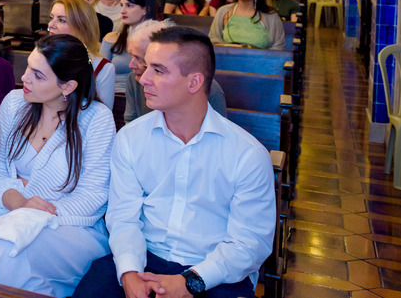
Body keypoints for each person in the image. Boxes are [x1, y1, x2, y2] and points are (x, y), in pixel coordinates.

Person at [75, 27, 274, 298]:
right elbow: (123, 218)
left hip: (214, 271)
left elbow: (249, 244)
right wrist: (130, 273)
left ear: (193, 83)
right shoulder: (131, 138)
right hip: (144, 257)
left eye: (158, 70)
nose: (143, 78)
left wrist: (190, 282)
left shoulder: (247, 154)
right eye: (146, 67)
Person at [0, 34, 114, 296]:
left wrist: (31, 210)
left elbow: (93, 196)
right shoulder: (15, 103)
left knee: (7, 245)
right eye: (28, 66)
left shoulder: (96, 120)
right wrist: (20, 203)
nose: (25, 77)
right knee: (19, 272)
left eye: (38, 75)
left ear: (67, 86)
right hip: (11, 216)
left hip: (72, 230)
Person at [123, 21, 227, 123]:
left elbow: (218, 131)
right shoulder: (134, 79)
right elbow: (131, 122)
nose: (143, 80)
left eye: (158, 70)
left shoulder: (211, 91)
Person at [48, 0, 115, 110]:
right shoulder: (41, 58)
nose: (51, 25)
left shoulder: (102, 67)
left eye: (61, 20)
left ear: (81, 26)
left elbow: (103, 116)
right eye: (51, 18)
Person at [100, 0, 157, 109]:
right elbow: (100, 77)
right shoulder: (111, 38)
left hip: (146, 101)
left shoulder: (157, 42)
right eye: (121, 5)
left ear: (145, 9)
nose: (122, 11)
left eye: (129, 6)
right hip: (114, 99)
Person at [209, 0, 286, 50]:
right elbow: (213, 40)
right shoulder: (223, 11)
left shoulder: (271, 16)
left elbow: (278, 47)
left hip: (262, 61)